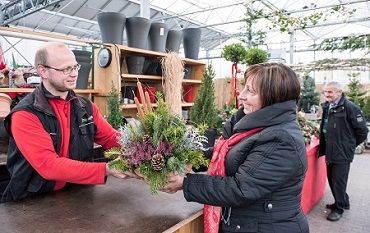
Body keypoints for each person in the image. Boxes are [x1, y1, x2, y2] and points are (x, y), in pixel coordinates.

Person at [161, 63, 309, 233]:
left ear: (271, 99)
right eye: (244, 88)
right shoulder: (254, 125)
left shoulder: (281, 140)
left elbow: (241, 189)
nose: (242, 95)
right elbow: (229, 156)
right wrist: (185, 157)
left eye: (251, 91)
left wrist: (186, 183)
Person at [1, 42, 137, 203]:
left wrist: (144, 150)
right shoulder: (26, 114)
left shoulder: (85, 107)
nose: (74, 74)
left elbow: (111, 138)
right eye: (66, 69)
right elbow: (48, 165)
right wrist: (106, 169)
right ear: (42, 71)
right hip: (31, 201)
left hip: (75, 194)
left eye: (75, 67)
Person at [319, 81, 368, 221]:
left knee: (338, 181)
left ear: (339, 92)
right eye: (325, 92)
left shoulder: (350, 108)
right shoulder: (328, 106)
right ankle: (342, 201)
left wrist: (349, 146)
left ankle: (339, 209)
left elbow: (362, 131)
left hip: (342, 152)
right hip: (330, 150)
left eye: (330, 92)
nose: (327, 94)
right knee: (332, 179)